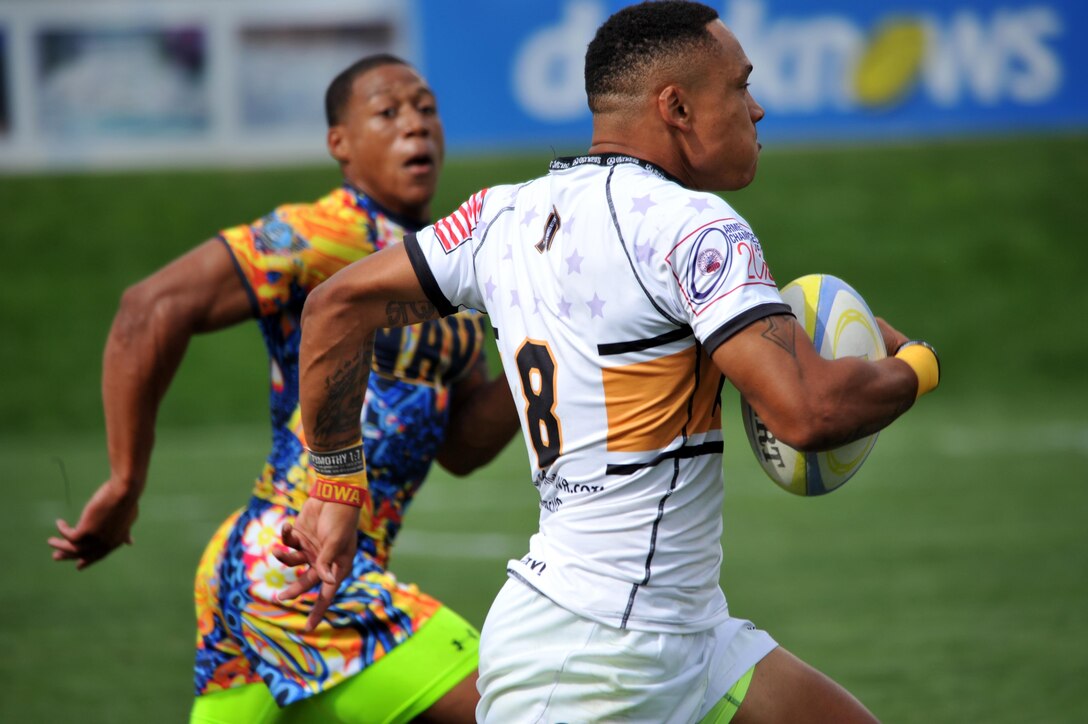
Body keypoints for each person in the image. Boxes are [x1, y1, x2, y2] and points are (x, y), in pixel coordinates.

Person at [281, 3, 942, 722]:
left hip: (683, 627)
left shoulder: (503, 216)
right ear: (678, 106)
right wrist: (916, 364)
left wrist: (336, 487)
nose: (757, 109)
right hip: (597, 653)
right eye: (740, 87)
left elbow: (336, 308)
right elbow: (809, 412)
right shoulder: (692, 225)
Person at [47, 54, 519, 723]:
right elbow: (149, 308)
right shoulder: (319, 233)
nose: (415, 125)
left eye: (427, 109)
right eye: (389, 112)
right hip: (294, 566)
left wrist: (551, 360)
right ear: (341, 144)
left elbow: (463, 448)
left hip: (272, 574)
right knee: (525, 707)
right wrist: (126, 482)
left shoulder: (449, 265)